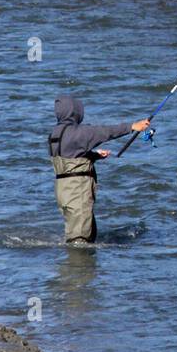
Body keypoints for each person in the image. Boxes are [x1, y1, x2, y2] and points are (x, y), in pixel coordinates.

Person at [47, 95, 149, 245]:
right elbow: (104, 132)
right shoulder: (79, 132)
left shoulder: (55, 134)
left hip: (63, 191)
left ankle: (75, 266)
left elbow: (69, 156)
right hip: (77, 190)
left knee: (78, 232)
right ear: (74, 112)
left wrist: (94, 156)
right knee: (80, 239)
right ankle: (79, 267)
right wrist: (132, 127)